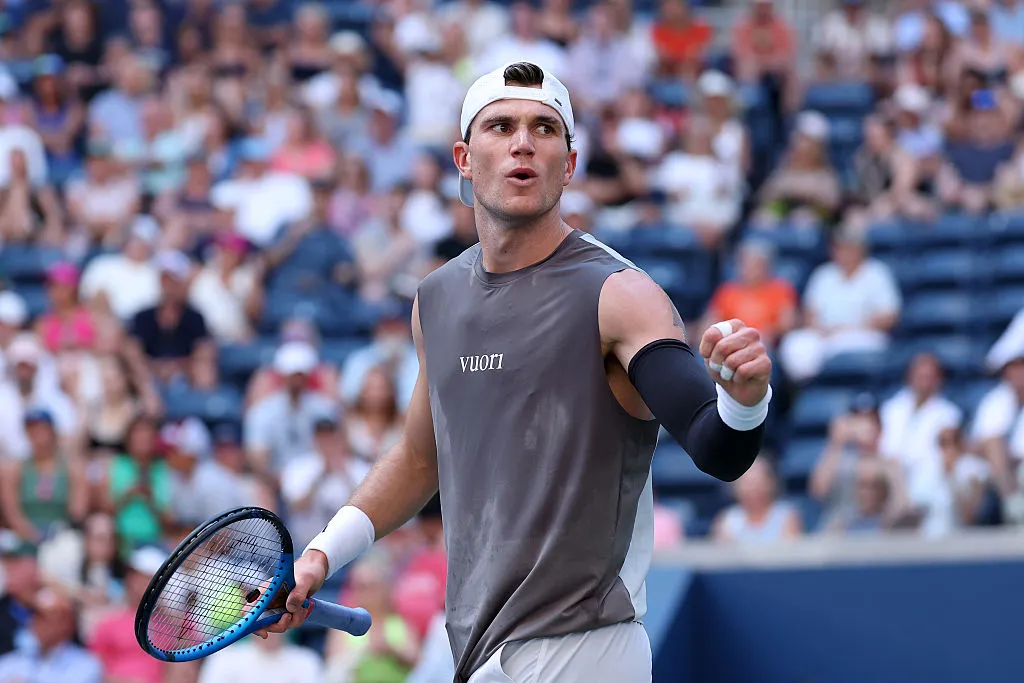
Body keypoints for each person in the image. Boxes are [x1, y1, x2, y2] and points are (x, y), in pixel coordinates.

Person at [260, 62, 772, 683]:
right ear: (464, 158)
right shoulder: (437, 299)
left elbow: (717, 447)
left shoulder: (620, 293)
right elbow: (421, 460)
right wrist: (321, 554)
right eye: (500, 126)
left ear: (570, 162)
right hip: (478, 654)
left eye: (544, 128)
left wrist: (744, 400)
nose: (522, 141)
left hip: (585, 648)